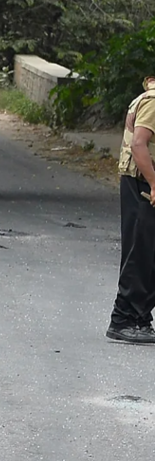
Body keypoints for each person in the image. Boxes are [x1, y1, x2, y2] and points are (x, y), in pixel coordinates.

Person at [108, 76, 155, 344]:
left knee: (149, 255)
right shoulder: (153, 102)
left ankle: (140, 318)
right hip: (141, 184)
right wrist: (153, 183)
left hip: (143, 182)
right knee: (140, 253)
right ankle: (123, 318)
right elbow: (139, 144)